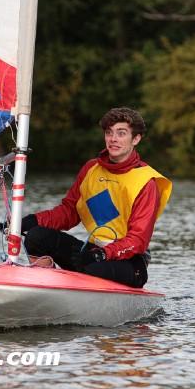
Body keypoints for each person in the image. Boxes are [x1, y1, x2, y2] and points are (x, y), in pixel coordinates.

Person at [19, 107, 172, 288]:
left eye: (121, 133)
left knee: (92, 269)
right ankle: (45, 285)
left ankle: (70, 286)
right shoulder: (91, 169)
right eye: (109, 132)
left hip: (130, 263)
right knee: (36, 236)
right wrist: (32, 221)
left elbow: (138, 241)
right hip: (91, 253)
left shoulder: (147, 182)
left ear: (136, 139)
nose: (113, 139)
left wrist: (102, 254)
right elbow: (69, 212)